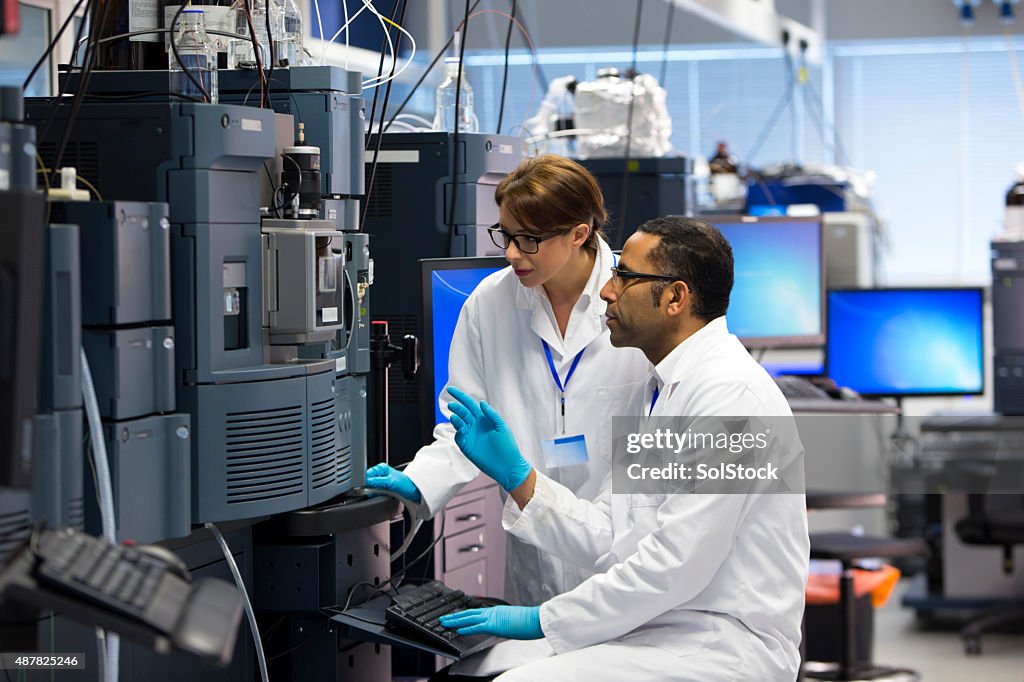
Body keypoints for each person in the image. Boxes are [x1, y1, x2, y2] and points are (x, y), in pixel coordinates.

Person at [436, 216, 810, 681]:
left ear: (675, 297)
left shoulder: (732, 398)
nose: (608, 292)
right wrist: (521, 480)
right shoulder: (665, 389)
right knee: (471, 669)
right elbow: (615, 531)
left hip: (721, 641)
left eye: (625, 277)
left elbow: (675, 565)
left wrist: (544, 618)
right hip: (661, 624)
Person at [365, 155, 651, 606]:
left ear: (579, 233)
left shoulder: (636, 305)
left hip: (621, 564)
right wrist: (419, 481)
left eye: (529, 240)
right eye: (506, 235)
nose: (511, 253)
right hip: (534, 563)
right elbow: (466, 425)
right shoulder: (489, 303)